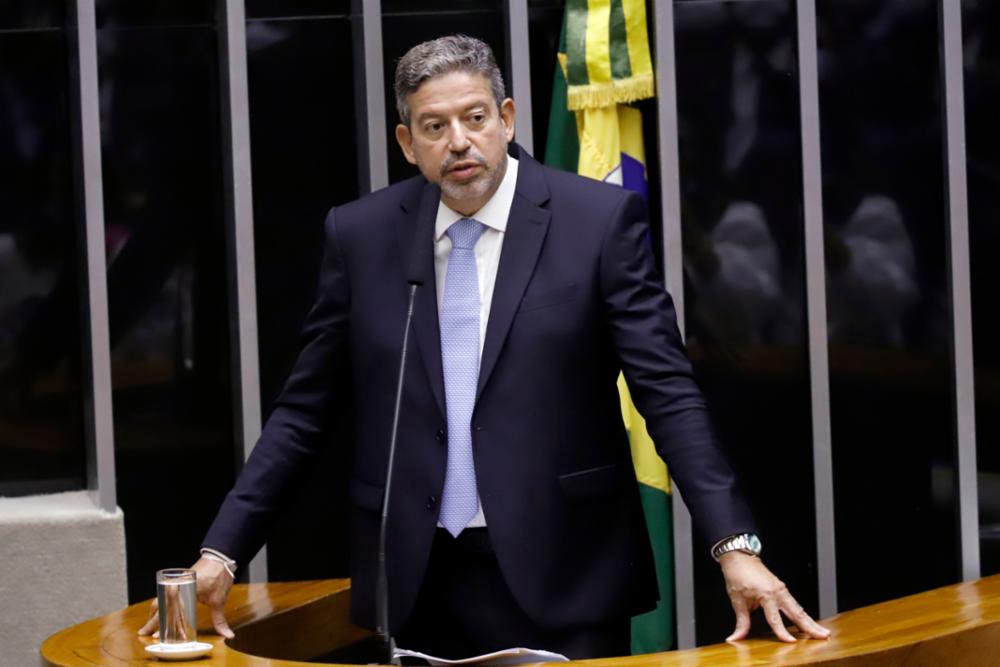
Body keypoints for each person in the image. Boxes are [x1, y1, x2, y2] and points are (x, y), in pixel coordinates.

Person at [140, 35, 829, 658]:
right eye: (435, 127)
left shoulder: (595, 222)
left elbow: (668, 393)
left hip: (565, 569)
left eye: (474, 118)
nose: (459, 142)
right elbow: (304, 411)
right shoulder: (364, 236)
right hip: (418, 574)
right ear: (408, 144)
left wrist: (733, 544)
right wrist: (223, 549)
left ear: (507, 118)